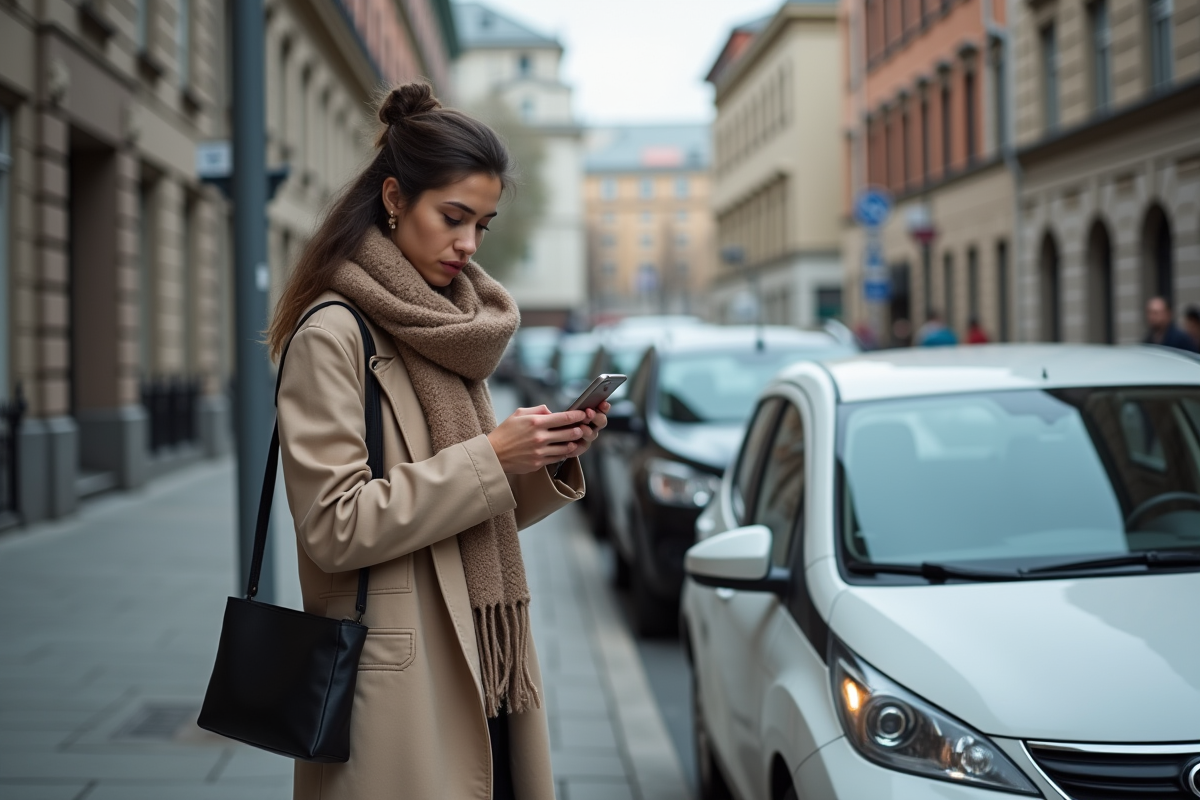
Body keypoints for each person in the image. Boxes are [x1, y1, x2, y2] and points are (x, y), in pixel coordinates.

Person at [265, 82, 606, 800]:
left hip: (484, 667)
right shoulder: (334, 334)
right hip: (399, 684)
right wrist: (492, 456)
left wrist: (546, 455)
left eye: (482, 224)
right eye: (453, 217)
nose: (468, 245)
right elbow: (335, 525)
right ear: (394, 198)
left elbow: (468, 512)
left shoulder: (447, 330)